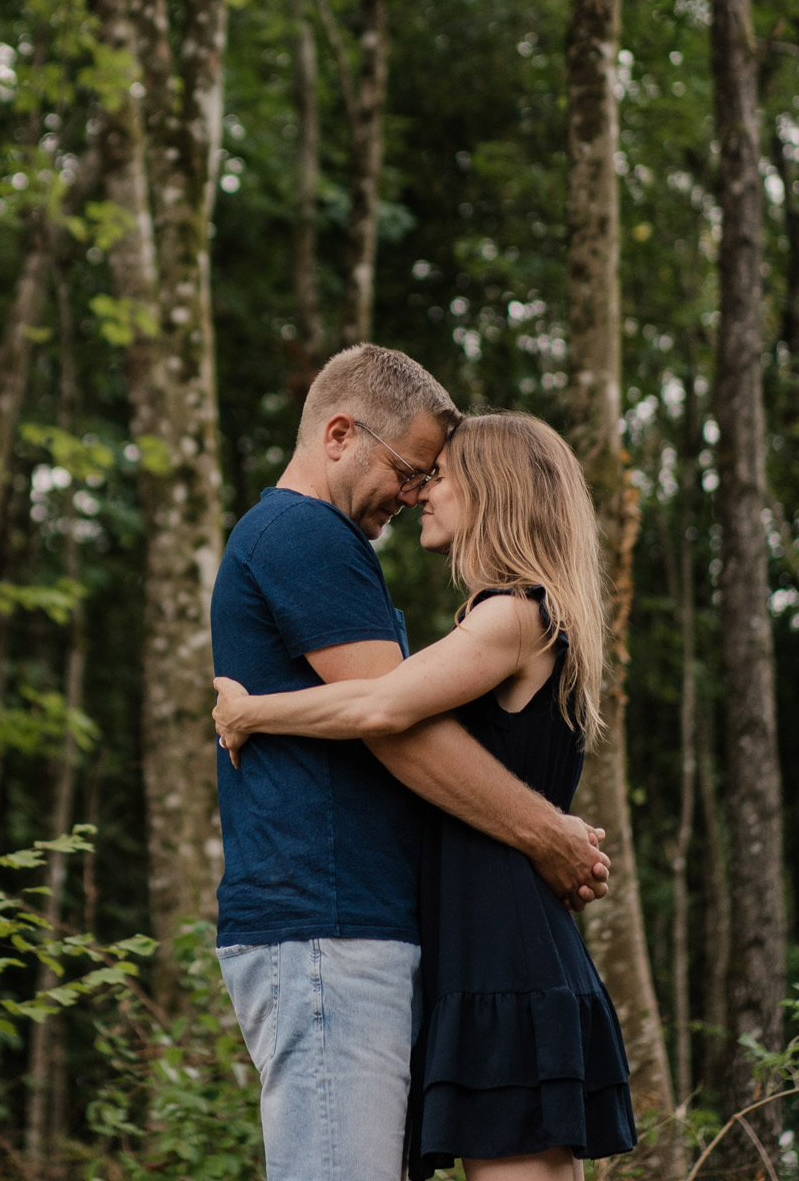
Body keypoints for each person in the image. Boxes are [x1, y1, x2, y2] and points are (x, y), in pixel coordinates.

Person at [209, 347, 613, 1181]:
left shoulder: (511, 615)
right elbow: (390, 718)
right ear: (339, 434)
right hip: (337, 925)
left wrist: (251, 710)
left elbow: (385, 708)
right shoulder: (300, 533)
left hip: (448, 943)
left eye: (435, 475)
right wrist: (546, 832)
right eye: (410, 469)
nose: (418, 489)